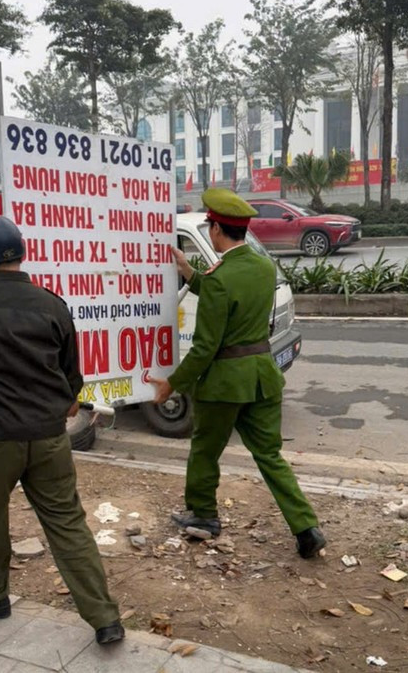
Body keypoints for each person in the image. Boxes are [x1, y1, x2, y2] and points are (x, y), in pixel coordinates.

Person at [0, 215, 124, 645]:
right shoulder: (53, 305)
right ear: (22, 254)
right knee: (68, 524)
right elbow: (72, 377)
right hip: (49, 438)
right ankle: (104, 618)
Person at [148, 189, 326, 559]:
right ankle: (306, 527)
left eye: (210, 226)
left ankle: (204, 516)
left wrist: (172, 384)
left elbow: (204, 348)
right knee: (270, 455)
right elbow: (232, 295)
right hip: (261, 377)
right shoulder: (262, 267)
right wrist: (190, 273)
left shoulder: (220, 277)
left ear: (216, 230)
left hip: (225, 385)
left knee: (205, 450)